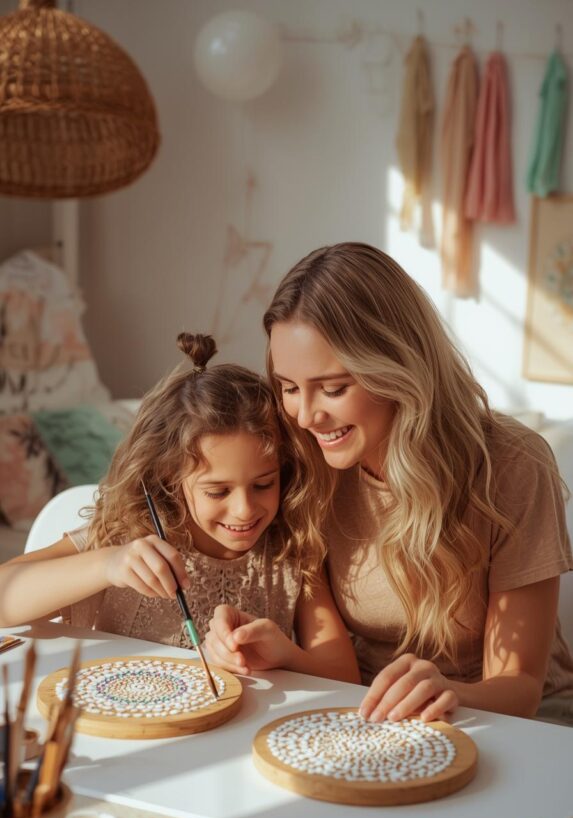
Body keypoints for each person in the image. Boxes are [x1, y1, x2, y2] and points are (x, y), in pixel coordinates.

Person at [206, 242, 573, 723]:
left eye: (334, 389)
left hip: (514, 721)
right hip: (367, 712)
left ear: (398, 366)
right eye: (290, 388)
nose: (306, 415)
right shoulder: (308, 460)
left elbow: (520, 689)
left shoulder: (513, 464)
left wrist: (446, 692)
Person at [0, 333, 360, 685]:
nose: (244, 509)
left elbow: (345, 678)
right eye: (217, 491)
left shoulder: (291, 548)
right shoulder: (129, 534)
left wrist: (283, 655)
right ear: (170, 478)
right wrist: (108, 564)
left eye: (264, 484)